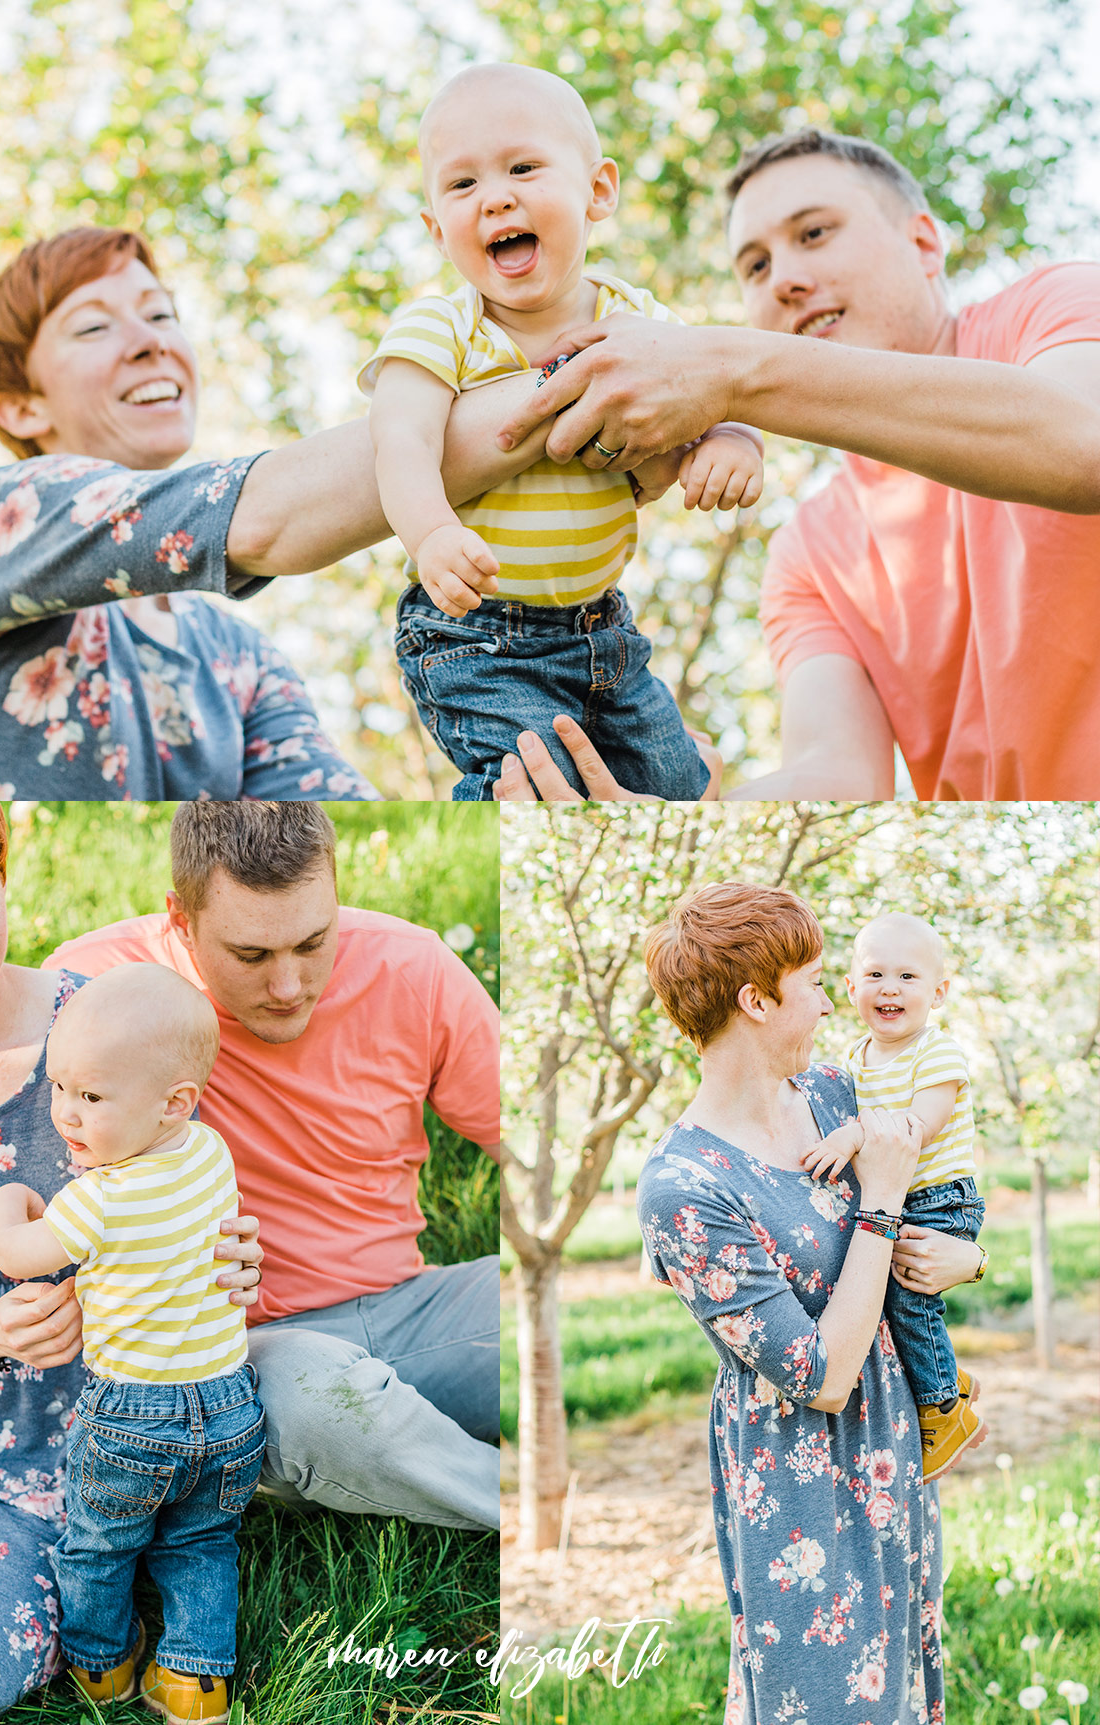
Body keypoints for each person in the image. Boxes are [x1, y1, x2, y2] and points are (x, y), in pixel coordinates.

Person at [490, 128, 1100, 803]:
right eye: (754, 266)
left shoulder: (1057, 304)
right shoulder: (808, 556)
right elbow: (839, 777)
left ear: (924, 243)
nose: (783, 280)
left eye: (813, 234)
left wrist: (729, 370)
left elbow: (1085, 440)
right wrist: (681, 816)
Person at [0, 224, 581, 799]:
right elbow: (264, 516)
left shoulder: (235, 655)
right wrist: (586, 383)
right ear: (21, 406)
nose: (151, 341)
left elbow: (332, 830)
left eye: (162, 314)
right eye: (94, 326)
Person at [45, 800, 502, 1533]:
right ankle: (523, 1503)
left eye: (314, 941)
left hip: (406, 1311)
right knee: (316, 1399)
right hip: (227, 1360)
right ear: (180, 918)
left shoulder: (413, 967)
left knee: (549, 1315)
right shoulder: (94, 991)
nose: (289, 985)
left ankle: (417, 1448)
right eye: (251, 955)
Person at [0, 802, 262, 1723]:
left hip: (93, 1397)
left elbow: (189, 1169)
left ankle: (107, 1645)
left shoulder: (92, 1020)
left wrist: (232, 1257)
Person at [363, 62, 761, 800]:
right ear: (434, 228)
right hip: (475, 636)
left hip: (601, 628)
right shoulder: (440, 327)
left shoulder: (634, 319)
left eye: (522, 167)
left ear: (598, 190)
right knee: (537, 785)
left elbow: (719, 386)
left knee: (680, 784)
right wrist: (430, 535)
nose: (497, 197)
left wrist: (733, 441)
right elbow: (401, 442)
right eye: (462, 185)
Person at [636, 882, 986, 1721]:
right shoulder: (684, 1186)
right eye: (819, 983)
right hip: (800, 1489)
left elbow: (939, 1187)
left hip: (894, 1452)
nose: (837, 1004)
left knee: (902, 1694)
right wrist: (881, 1202)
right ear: (757, 1000)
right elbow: (821, 1375)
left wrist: (968, 1258)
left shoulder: (835, 1094)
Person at [0, 966, 262, 1725]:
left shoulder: (98, 1199)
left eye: (92, 1097)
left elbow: (20, 1254)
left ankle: (103, 1668)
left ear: (173, 1101)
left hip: (132, 1418)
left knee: (98, 1545)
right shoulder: (210, 1153)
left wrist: (10, 1202)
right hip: (230, 1404)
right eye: (61, 1086)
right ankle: (195, 1685)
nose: (66, 1114)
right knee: (203, 1539)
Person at [798, 913, 987, 1479]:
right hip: (904, 1194)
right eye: (875, 974)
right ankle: (947, 1377)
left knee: (909, 1297)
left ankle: (942, 1411)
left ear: (938, 993)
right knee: (884, 1294)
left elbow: (919, 1127)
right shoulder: (855, 1059)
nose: (890, 988)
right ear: (851, 988)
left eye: (908, 977)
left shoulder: (938, 1052)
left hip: (940, 1196)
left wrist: (857, 1132)